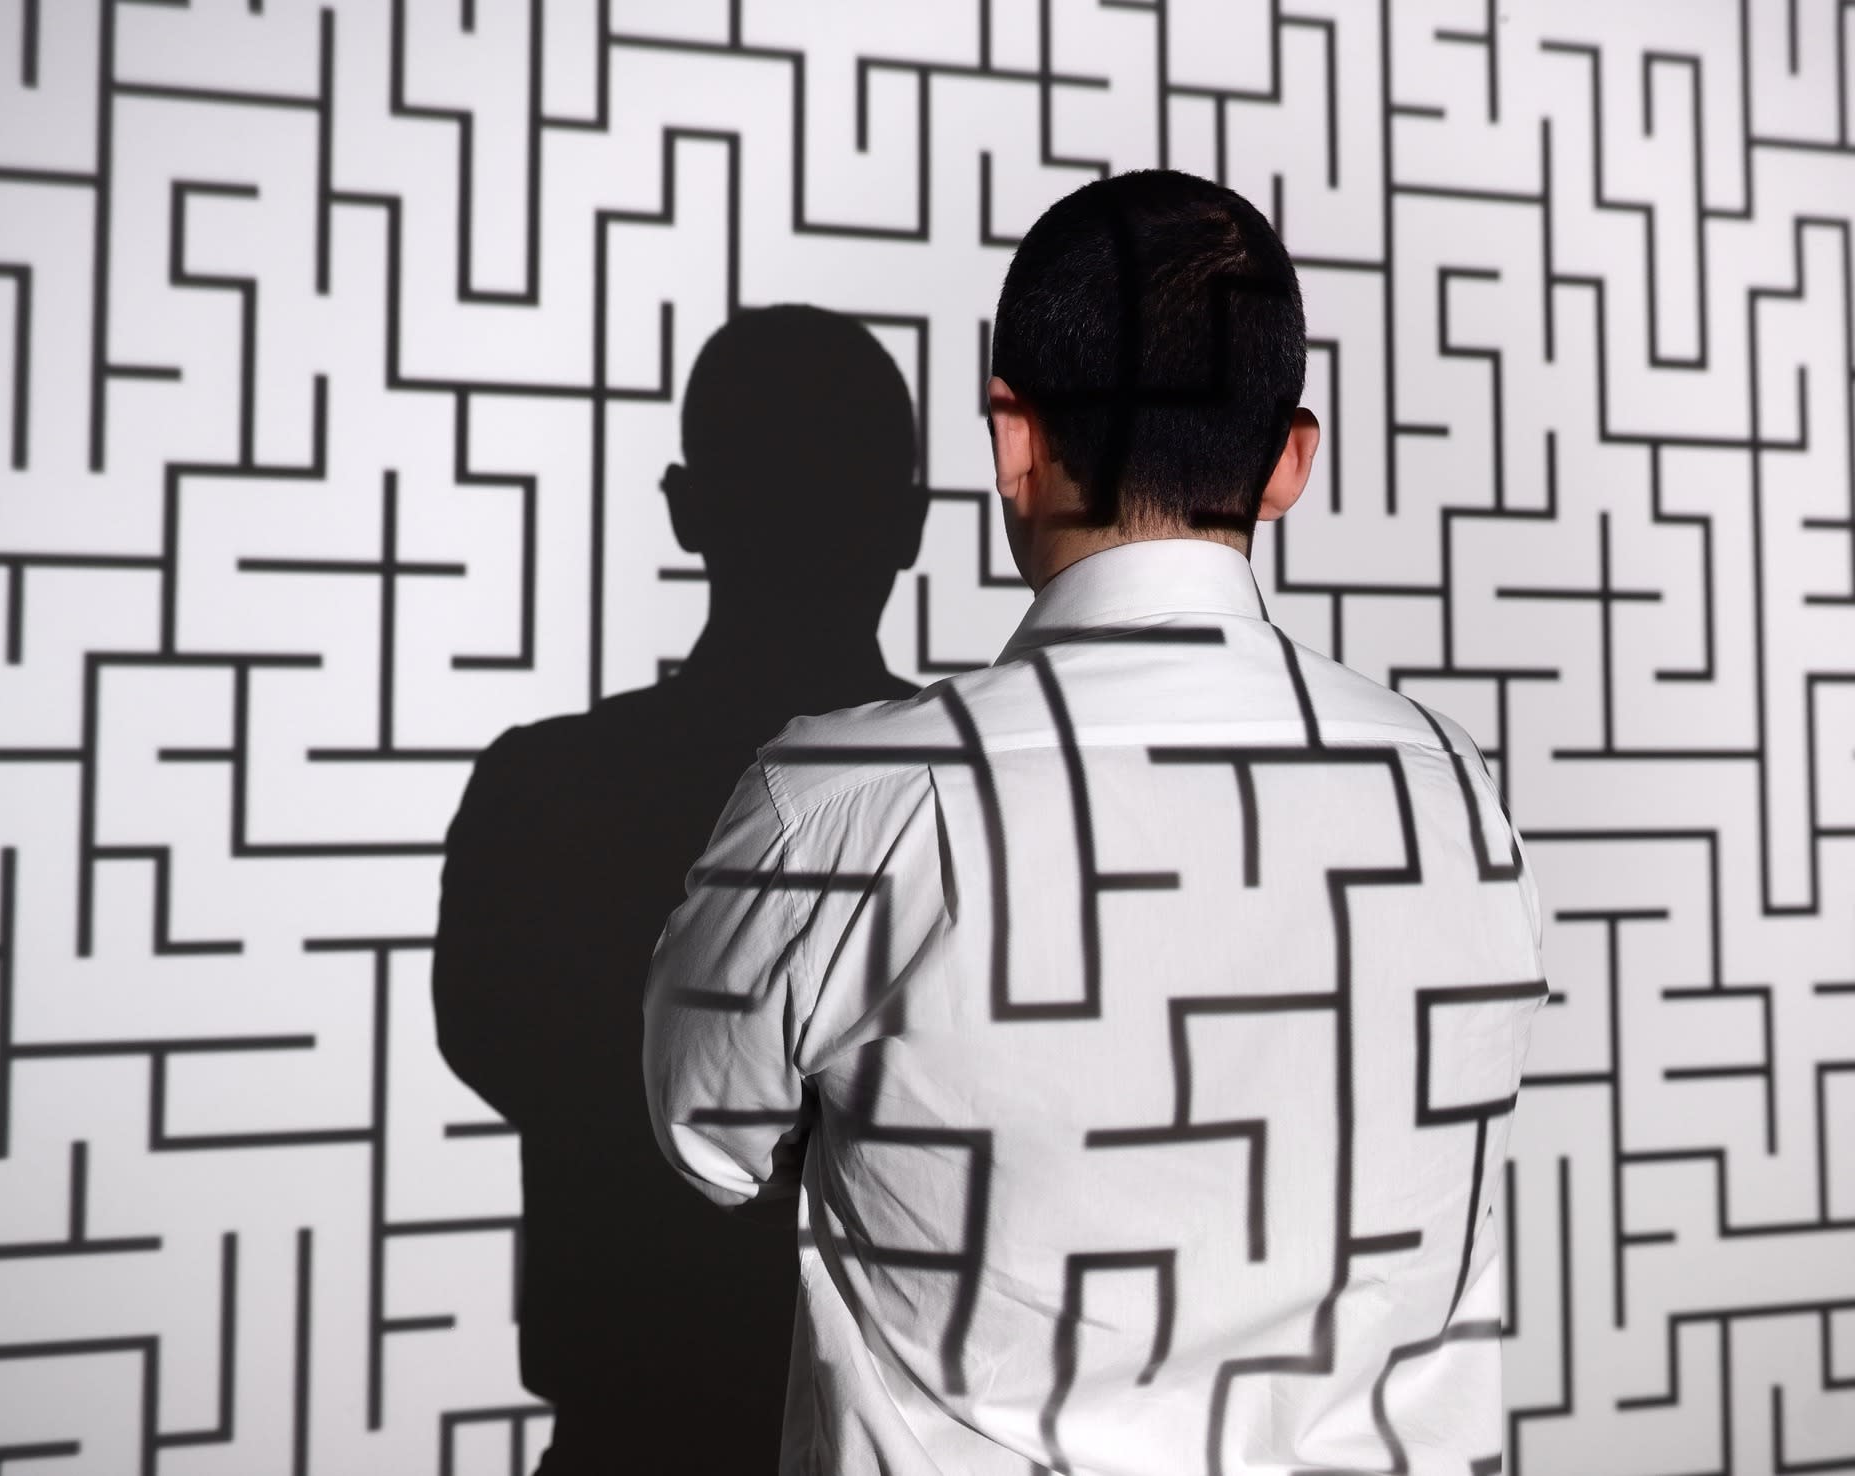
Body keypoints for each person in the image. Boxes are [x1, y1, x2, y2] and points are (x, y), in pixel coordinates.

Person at [640, 169, 1549, 1475]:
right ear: (1294, 459)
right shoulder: (1461, 796)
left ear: (1014, 439)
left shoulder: (843, 810)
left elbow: (707, 1144)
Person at [433, 305, 928, 1472]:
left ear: (686, 508)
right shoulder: (981, 806)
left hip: (628, 1422)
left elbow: (498, 1047)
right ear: (908, 528)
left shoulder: (542, 791)